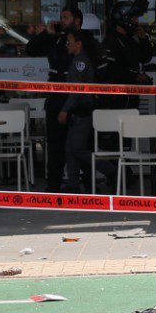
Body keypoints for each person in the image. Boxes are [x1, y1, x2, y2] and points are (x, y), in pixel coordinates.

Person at [56, 31, 102, 193]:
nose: (67, 45)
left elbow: (76, 91)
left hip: (83, 111)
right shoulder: (76, 60)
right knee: (70, 148)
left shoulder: (80, 61)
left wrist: (64, 110)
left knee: (76, 148)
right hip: (78, 112)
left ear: (79, 44)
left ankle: (111, 170)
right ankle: (73, 184)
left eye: (69, 41)